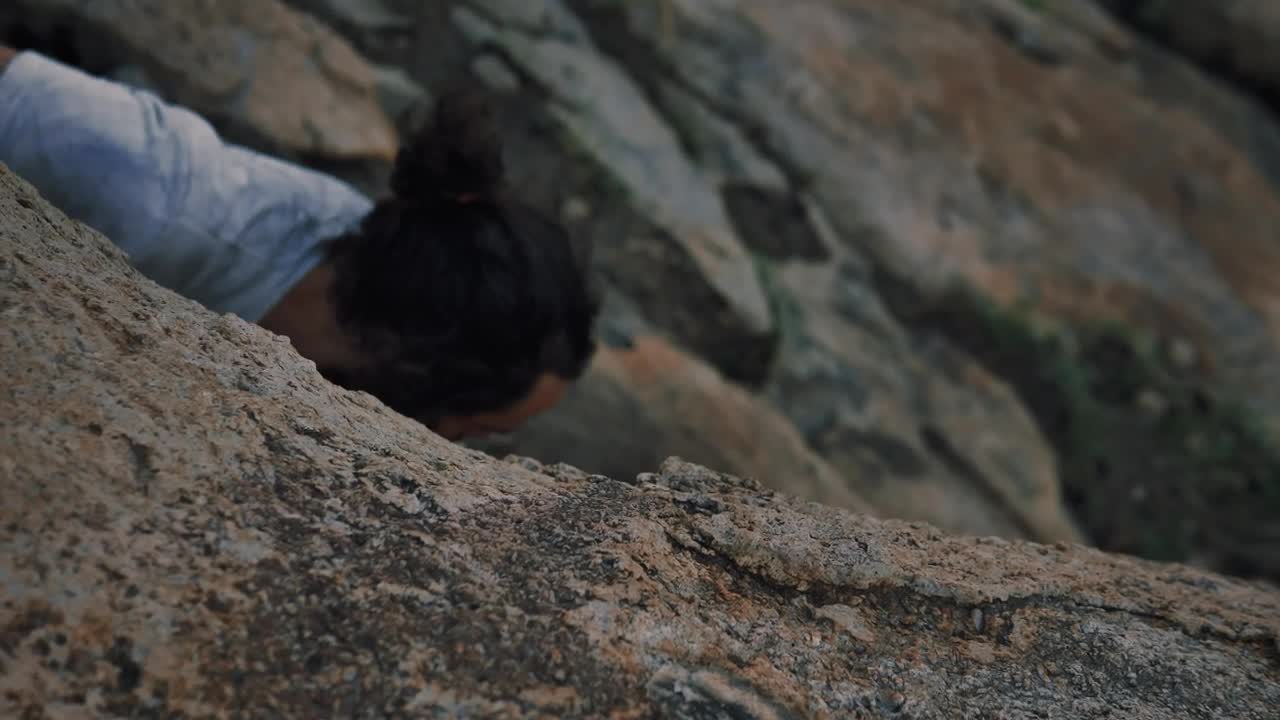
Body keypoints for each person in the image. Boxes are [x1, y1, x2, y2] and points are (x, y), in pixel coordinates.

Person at [0, 46, 599, 441]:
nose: (440, 444)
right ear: (410, 351)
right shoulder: (153, 192)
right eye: (460, 425)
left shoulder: (358, 248)